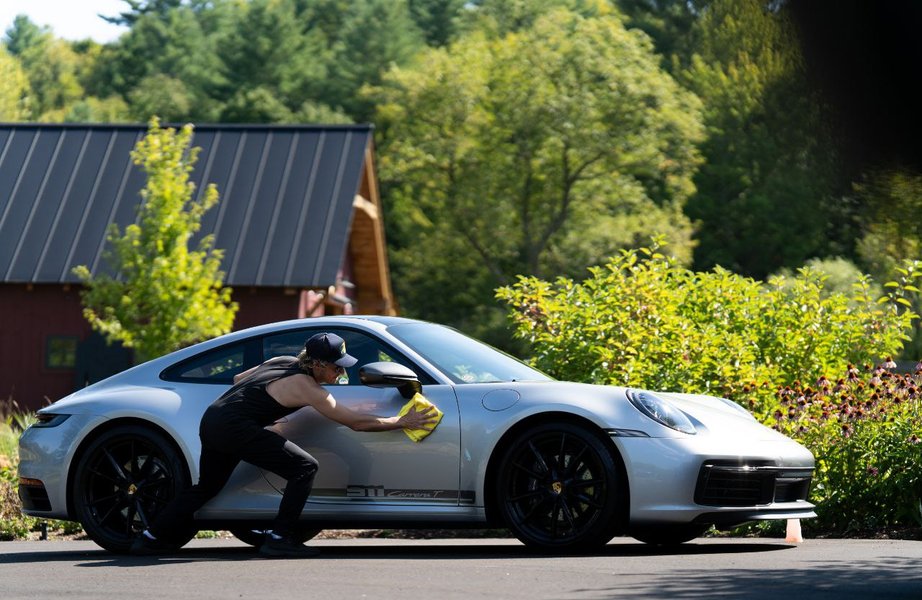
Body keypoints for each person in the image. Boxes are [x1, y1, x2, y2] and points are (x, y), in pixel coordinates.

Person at [130, 332, 438, 557]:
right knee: (305, 467)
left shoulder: (284, 360)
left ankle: (150, 537)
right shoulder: (308, 387)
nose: (340, 372)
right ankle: (279, 537)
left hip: (213, 420)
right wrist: (403, 422)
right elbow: (355, 423)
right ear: (316, 363)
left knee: (207, 487)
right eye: (335, 366)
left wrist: (260, 412)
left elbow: (239, 379)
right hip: (234, 427)